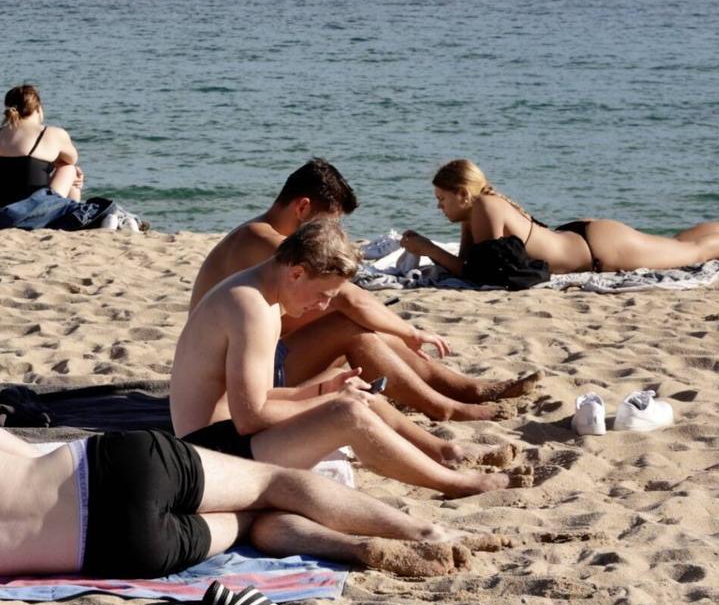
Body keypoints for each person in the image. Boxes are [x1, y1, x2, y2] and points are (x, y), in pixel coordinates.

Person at [0, 400, 508, 580]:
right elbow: (17, 450)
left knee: (246, 523)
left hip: (113, 548)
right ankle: (422, 535)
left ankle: (352, 550)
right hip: (113, 469)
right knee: (277, 479)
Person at [173, 217, 530, 498]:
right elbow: (250, 418)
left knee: (355, 391)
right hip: (209, 453)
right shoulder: (251, 308)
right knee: (348, 412)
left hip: (226, 432)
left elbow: (258, 400)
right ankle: (455, 484)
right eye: (323, 294)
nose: (324, 306)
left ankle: (442, 452)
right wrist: (329, 399)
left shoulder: (260, 294)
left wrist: (323, 388)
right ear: (296, 272)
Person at [191, 158, 540, 424]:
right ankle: (446, 405)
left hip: (254, 360)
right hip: (235, 382)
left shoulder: (264, 237)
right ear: (303, 208)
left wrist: (396, 330)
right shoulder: (265, 242)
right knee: (351, 326)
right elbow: (348, 297)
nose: (333, 233)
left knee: (359, 326)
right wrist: (411, 331)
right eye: (331, 223)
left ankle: (462, 390)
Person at [401, 159, 719, 276]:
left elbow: (477, 275)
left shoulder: (486, 209)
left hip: (599, 249)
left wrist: (427, 248)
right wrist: (435, 247)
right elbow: (471, 264)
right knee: (679, 242)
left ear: (462, 194)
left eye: (441, 199)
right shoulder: (481, 210)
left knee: (689, 251)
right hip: (585, 236)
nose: (439, 207)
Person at [0, 84, 84, 226]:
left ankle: (73, 217)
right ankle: (76, 219)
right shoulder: (51, 133)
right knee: (69, 168)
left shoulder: (1, 133)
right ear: (38, 109)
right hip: (24, 214)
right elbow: (72, 158)